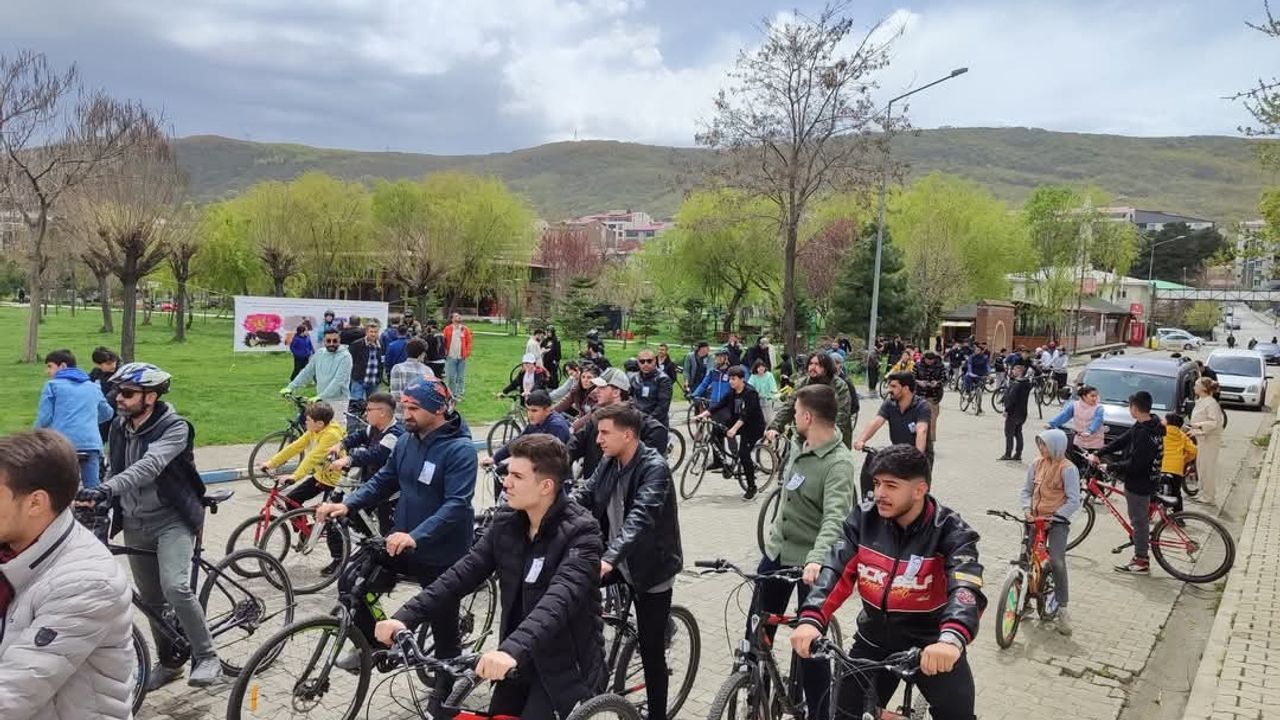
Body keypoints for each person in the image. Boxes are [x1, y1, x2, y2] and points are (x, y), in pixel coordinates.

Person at [374, 435, 605, 720]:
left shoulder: (582, 533)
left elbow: (559, 599)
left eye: (517, 476)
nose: (506, 482)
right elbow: (463, 572)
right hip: (515, 656)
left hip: (563, 664)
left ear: (546, 486)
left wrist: (511, 650)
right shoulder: (507, 521)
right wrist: (406, 616)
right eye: (508, 473)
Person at [790, 445, 984, 720]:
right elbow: (835, 570)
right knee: (845, 713)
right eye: (877, 483)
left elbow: (965, 589)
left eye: (891, 485)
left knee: (958, 715)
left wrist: (951, 640)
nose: (879, 493)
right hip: (873, 639)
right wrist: (811, 619)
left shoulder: (952, 532)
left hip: (931, 643)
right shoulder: (863, 519)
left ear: (919, 490)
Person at [80, 362, 225, 688]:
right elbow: (115, 467)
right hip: (135, 521)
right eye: (117, 391)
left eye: (127, 393)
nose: (119, 398)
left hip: (171, 520)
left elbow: (150, 466)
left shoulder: (175, 428)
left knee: (175, 587)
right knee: (151, 601)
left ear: (151, 397)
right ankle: (170, 664)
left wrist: (108, 488)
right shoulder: (120, 426)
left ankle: (207, 656)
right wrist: (97, 495)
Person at [313, 379, 477, 667]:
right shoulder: (406, 441)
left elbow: (456, 505)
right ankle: (376, 645)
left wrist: (416, 535)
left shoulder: (460, 450)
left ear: (438, 409)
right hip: (402, 542)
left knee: (444, 630)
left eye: (414, 408)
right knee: (351, 581)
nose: (405, 414)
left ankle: (447, 687)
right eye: (404, 407)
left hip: (441, 553)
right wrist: (347, 504)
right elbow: (384, 480)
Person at [0, 430, 135, 719]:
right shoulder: (12, 549)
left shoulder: (87, 583)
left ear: (36, 503)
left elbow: (12, 694)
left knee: (175, 586)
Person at [572, 404, 682, 720]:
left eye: (605, 433)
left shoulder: (654, 468)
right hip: (618, 561)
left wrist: (609, 557)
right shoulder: (609, 462)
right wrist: (551, 508)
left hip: (650, 569)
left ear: (628, 435)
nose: (598, 440)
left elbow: (640, 518)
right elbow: (585, 494)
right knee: (572, 592)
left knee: (651, 651)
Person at [755, 385, 853, 720]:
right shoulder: (799, 444)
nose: (793, 418)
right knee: (757, 633)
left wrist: (816, 557)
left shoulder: (838, 463)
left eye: (796, 413)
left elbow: (835, 519)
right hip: (777, 553)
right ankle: (755, 695)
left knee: (810, 644)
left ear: (808, 417)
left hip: (811, 563)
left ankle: (819, 712)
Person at [1091, 391, 1165, 575]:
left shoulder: (1145, 433)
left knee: (1139, 523)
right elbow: (1123, 440)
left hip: (1140, 483)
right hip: (1149, 479)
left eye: (1130, 406)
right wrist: (1100, 452)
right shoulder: (1149, 424)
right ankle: (1140, 549)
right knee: (1140, 521)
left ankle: (1141, 560)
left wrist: (1110, 467)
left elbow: (1137, 464)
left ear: (1135, 408)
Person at [1019, 429, 1081, 635]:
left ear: (1056, 446)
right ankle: (1023, 601)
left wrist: (1056, 517)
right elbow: (1026, 491)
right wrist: (1027, 510)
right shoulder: (1036, 464)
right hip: (1034, 520)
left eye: (1044, 444)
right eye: (1040, 444)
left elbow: (1074, 500)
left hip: (1056, 523)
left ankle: (1062, 609)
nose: (1041, 448)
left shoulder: (1068, 469)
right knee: (1025, 560)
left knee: (1057, 561)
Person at [567, 368, 668, 480]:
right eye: (596, 387)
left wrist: (630, 472)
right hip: (594, 485)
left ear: (616, 392)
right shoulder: (597, 417)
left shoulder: (635, 419)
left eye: (602, 387)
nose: (595, 391)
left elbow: (657, 433)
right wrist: (557, 462)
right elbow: (577, 442)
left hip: (620, 488)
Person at [328, 392, 403, 539]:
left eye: (369, 410)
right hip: (373, 481)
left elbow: (376, 454)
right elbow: (360, 435)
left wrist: (349, 459)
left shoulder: (395, 434)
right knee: (356, 513)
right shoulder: (375, 427)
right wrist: (341, 445)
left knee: (386, 530)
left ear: (382, 412)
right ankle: (369, 542)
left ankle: (377, 543)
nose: (365, 413)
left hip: (389, 488)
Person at [34, 349, 113, 489]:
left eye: (50, 366)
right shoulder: (93, 387)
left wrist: (33, 437)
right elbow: (108, 413)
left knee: (59, 488)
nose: (48, 371)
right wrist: (90, 419)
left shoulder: (52, 386)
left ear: (63, 366)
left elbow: (45, 418)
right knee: (92, 488)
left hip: (62, 444)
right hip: (90, 444)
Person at [695, 366, 766, 498]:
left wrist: (733, 429)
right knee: (716, 432)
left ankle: (752, 487)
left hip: (753, 427)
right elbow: (719, 405)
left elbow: (746, 415)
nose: (731, 382)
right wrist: (702, 415)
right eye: (730, 379)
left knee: (744, 454)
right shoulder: (732, 392)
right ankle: (720, 462)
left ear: (742, 379)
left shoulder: (750, 393)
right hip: (737, 422)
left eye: (733, 379)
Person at [259, 401, 346, 504]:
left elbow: (313, 458)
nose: (305, 422)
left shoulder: (331, 435)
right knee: (291, 500)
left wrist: (295, 476)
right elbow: (295, 447)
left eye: (308, 420)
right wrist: (271, 463)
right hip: (321, 476)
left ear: (320, 423)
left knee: (327, 512)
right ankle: (304, 516)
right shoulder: (314, 430)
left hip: (336, 482)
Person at [767, 352, 855, 450]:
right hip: (804, 438)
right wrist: (775, 426)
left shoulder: (839, 385)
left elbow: (842, 413)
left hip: (833, 440)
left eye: (817, 364)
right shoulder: (802, 383)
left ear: (826, 368)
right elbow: (789, 406)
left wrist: (827, 435)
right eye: (810, 363)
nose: (812, 367)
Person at [854, 372, 932, 473]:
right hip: (898, 452)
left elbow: (922, 430)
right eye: (889, 386)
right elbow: (877, 422)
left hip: (919, 455)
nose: (889, 390)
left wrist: (918, 457)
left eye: (894, 386)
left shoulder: (922, 406)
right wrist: (861, 440)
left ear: (906, 389)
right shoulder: (889, 404)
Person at [484, 390, 572, 469]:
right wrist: (494, 458)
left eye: (534, 410)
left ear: (547, 410)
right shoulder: (536, 422)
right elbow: (518, 441)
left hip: (553, 473)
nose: (529, 414)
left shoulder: (556, 427)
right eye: (528, 410)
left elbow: (551, 459)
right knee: (501, 470)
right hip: (539, 467)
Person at [285, 327, 354, 425]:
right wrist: (290, 387)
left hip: (338, 400)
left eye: (335, 341)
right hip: (321, 398)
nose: (331, 343)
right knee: (318, 428)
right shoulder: (320, 353)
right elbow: (307, 372)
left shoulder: (345, 357)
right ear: (323, 341)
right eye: (328, 341)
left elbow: (339, 381)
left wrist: (320, 396)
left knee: (337, 429)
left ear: (339, 340)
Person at [1046, 384, 1105, 467]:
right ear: (1084, 396)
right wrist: (1051, 423)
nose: (1095, 398)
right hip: (1079, 439)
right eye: (1092, 396)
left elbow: (1097, 420)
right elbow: (1064, 415)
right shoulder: (1075, 405)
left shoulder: (1099, 408)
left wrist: (1090, 431)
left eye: (1096, 396)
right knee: (1076, 462)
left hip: (1095, 441)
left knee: (1093, 465)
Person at [1188, 378, 1225, 506]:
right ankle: (1202, 492)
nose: (1194, 387)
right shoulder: (1201, 401)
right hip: (1202, 440)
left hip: (1210, 441)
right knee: (1201, 467)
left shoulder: (1211, 403)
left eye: (1196, 385)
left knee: (1207, 468)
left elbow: (1214, 423)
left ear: (1203, 388)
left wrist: (1198, 427)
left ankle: (1209, 496)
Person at [389, 339, 437, 419]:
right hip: (421, 416)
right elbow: (430, 395)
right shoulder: (428, 371)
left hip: (401, 415)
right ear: (422, 354)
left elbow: (395, 395)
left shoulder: (398, 368)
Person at [1160, 413, 1197, 513]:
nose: (1162, 420)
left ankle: (1149, 513)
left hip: (1162, 466)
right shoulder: (1182, 435)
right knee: (1176, 493)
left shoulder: (1161, 432)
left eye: (1164, 419)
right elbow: (1193, 451)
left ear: (1168, 422)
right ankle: (1178, 516)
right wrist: (1184, 460)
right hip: (1176, 468)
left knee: (1153, 492)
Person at [631, 348, 674, 427]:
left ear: (654, 361)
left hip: (656, 424)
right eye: (642, 361)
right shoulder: (635, 378)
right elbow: (629, 399)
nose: (645, 364)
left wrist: (647, 421)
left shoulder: (663, 379)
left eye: (649, 361)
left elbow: (662, 406)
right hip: (638, 421)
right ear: (638, 362)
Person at [999, 364, 1033, 462]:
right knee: (1018, 433)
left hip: (1013, 413)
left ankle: (1008, 454)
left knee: (1009, 433)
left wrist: (1007, 410)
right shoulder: (1027, 383)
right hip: (1022, 413)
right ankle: (1018, 454)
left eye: (1014, 369)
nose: (1013, 371)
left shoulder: (1017, 384)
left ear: (1019, 372)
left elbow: (1012, 399)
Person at [348, 320, 385, 405]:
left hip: (374, 381)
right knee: (356, 405)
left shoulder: (380, 345)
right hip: (359, 380)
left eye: (375, 332)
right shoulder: (357, 344)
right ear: (366, 332)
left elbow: (381, 362)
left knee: (373, 405)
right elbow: (349, 360)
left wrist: (380, 378)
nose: (373, 334)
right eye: (371, 332)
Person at [913, 351, 946, 443]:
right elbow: (912, 378)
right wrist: (919, 382)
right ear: (924, 359)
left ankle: (930, 441)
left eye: (932, 360)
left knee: (932, 419)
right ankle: (916, 438)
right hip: (920, 394)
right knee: (918, 418)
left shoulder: (940, 366)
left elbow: (944, 379)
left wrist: (937, 383)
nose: (930, 362)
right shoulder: (917, 365)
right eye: (928, 360)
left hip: (934, 395)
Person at [443, 312, 473, 400]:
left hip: (461, 356)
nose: (458, 317)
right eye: (456, 316)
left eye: (459, 316)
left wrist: (467, 353)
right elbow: (444, 341)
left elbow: (469, 342)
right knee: (451, 377)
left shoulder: (465, 329)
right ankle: (452, 393)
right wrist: (445, 352)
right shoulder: (447, 329)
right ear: (452, 319)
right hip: (451, 356)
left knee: (460, 376)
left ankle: (460, 393)